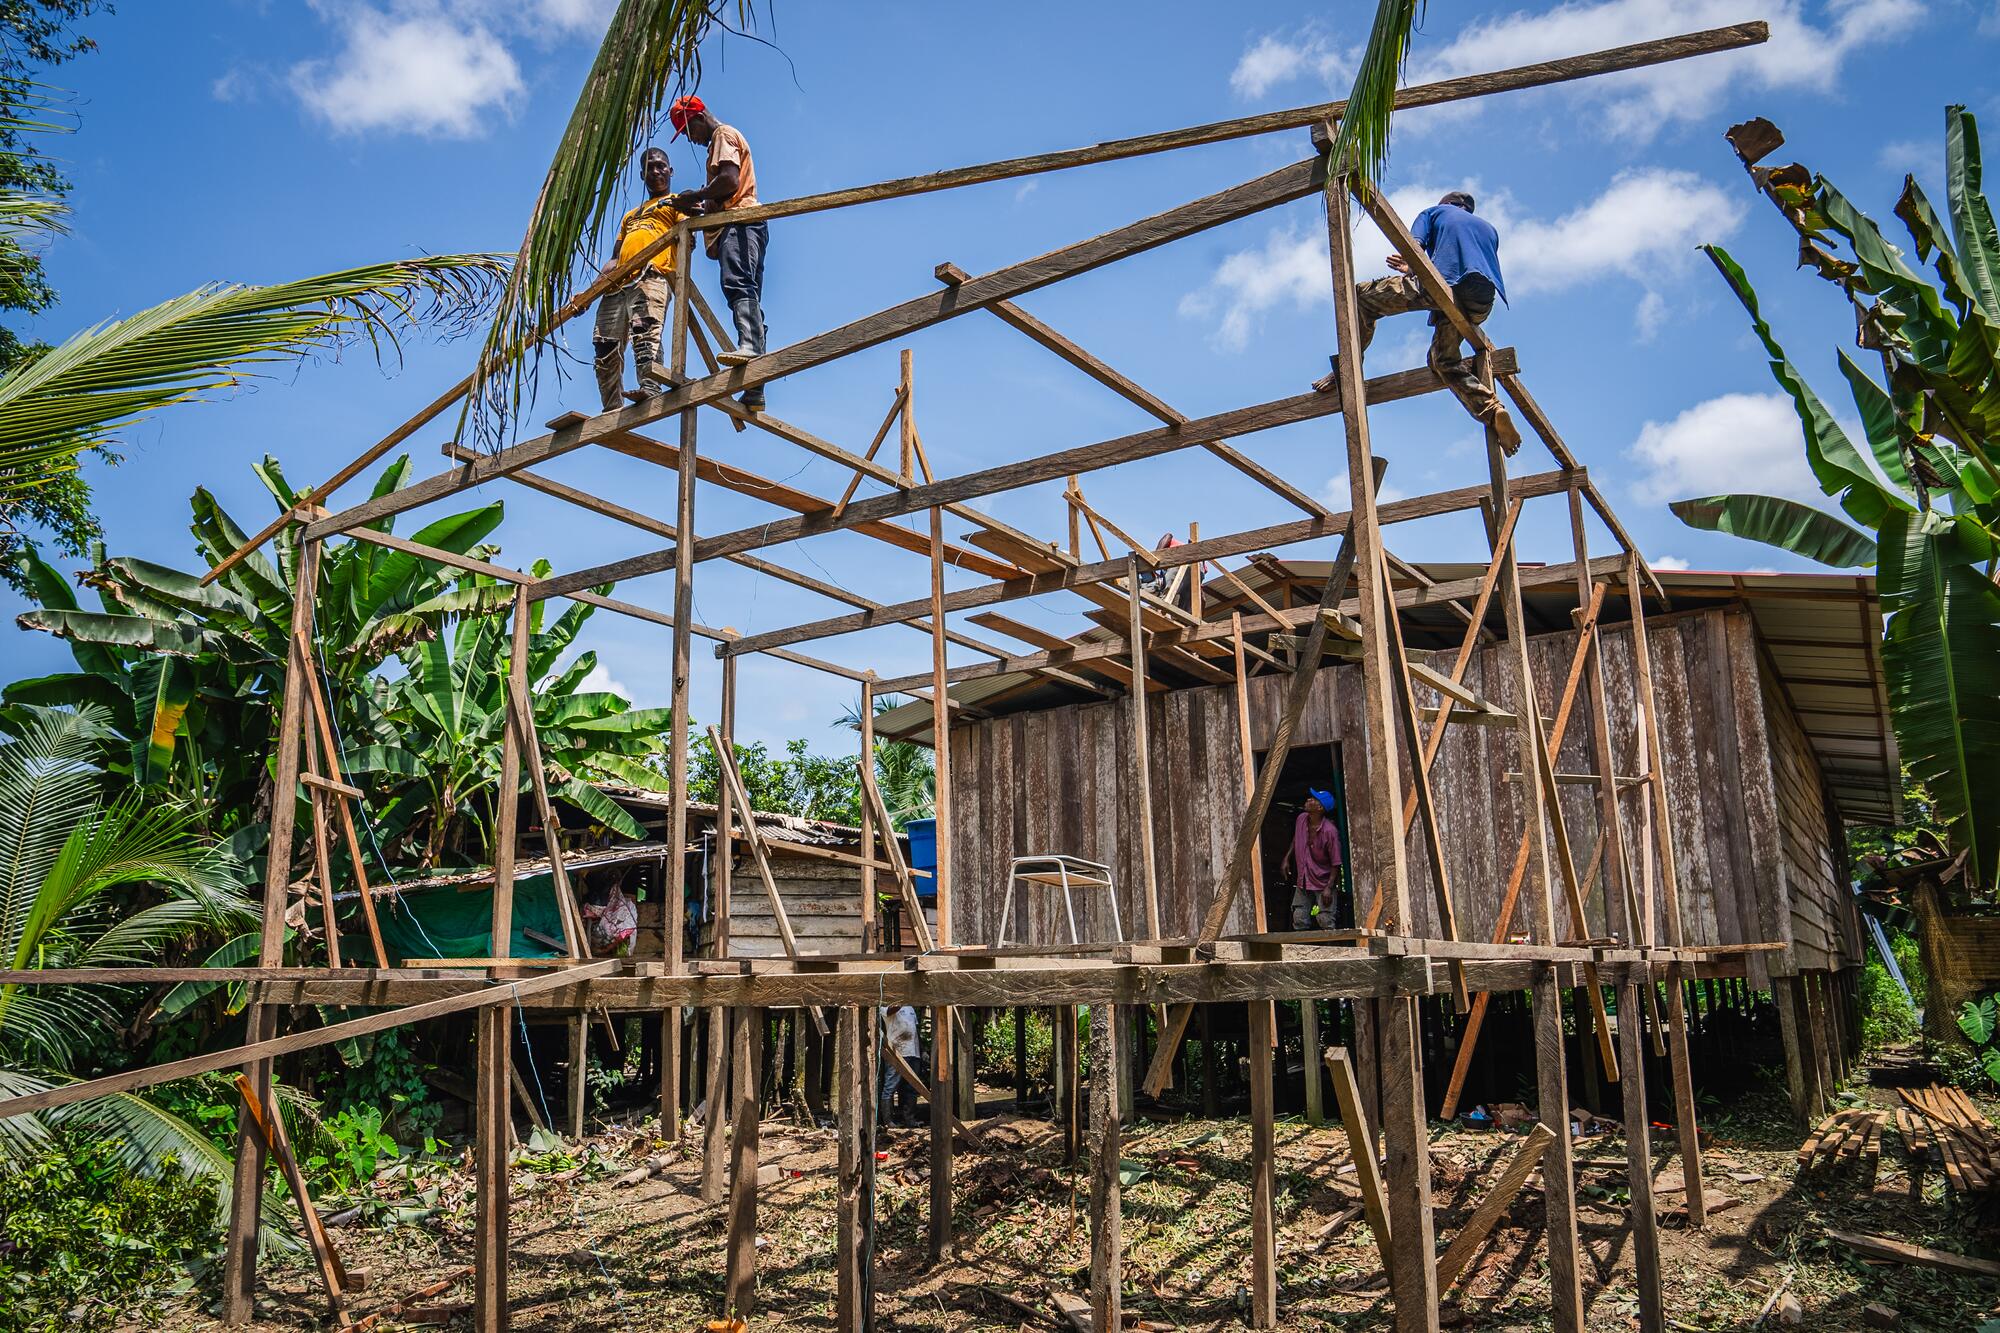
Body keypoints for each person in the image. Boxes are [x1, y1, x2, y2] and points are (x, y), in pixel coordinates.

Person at [1315, 189, 1522, 454]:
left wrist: (1409, 265)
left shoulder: (1434, 212)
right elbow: (1464, 261)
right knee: (1442, 361)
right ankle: (1493, 410)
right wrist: (1413, 270)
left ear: (1446, 203)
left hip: (1446, 286)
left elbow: (1413, 249)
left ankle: (1348, 365)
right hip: (1480, 302)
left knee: (1359, 296)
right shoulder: (1489, 229)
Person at [667, 94, 768, 411]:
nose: (691, 138)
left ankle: (750, 347)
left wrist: (695, 195)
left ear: (698, 117)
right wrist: (699, 205)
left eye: (688, 131)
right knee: (746, 290)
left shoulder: (722, 135)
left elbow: (729, 181)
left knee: (738, 284)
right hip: (744, 224)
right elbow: (721, 192)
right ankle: (755, 387)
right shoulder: (720, 141)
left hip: (740, 223)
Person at [593, 147, 684, 413]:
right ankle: (611, 407)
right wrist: (591, 292)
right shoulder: (631, 216)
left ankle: (650, 386)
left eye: (661, 166)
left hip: (651, 275)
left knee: (644, 333)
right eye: (649, 168)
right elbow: (614, 258)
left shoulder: (676, 202)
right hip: (618, 283)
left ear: (670, 171)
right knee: (604, 345)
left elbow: (687, 235)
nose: (656, 171)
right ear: (642, 175)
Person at [1281, 788, 1345, 931]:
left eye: (1314, 799)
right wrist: (1286, 858)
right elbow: (1297, 838)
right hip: (1304, 878)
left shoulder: (1330, 831)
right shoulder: (1301, 819)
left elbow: (1336, 862)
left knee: (1325, 919)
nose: (1308, 800)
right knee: (1299, 917)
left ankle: (1330, 945)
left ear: (1320, 808)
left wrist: (1328, 887)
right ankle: (1302, 946)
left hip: (1323, 881)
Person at [881, 1004, 922, 1127]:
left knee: (911, 1088)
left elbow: (915, 1030)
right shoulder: (885, 1006)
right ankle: (888, 1121)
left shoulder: (911, 1008)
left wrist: (922, 1050)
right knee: (891, 1086)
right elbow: (889, 1011)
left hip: (913, 1052)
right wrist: (901, 999)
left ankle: (909, 1120)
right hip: (896, 1053)